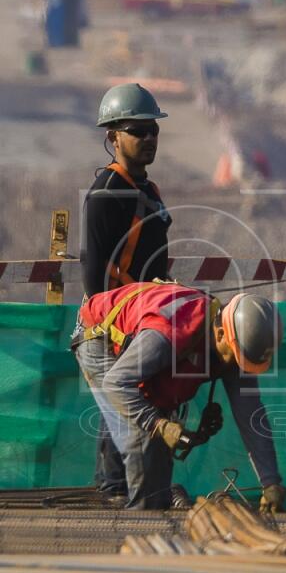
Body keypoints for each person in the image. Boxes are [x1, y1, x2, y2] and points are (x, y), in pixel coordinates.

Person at [72, 282, 286, 511]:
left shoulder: (237, 343)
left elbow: (250, 416)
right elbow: (117, 383)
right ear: (222, 333)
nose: (238, 368)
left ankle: (151, 505)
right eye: (237, 358)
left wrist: (270, 482)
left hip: (141, 348)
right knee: (144, 436)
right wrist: (158, 424)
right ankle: (138, 521)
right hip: (98, 337)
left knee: (156, 450)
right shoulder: (171, 331)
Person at [84, 82, 172, 498]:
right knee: (121, 400)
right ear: (113, 136)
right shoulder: (107, 193)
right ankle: (117, 486)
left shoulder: (148, 191)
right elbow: (94, 271)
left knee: (128, 399)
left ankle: (122, 484)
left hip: (145, 317)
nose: (149, 138)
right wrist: (110, 325)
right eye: (139, 131)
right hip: (115, 320)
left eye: (153, 130)